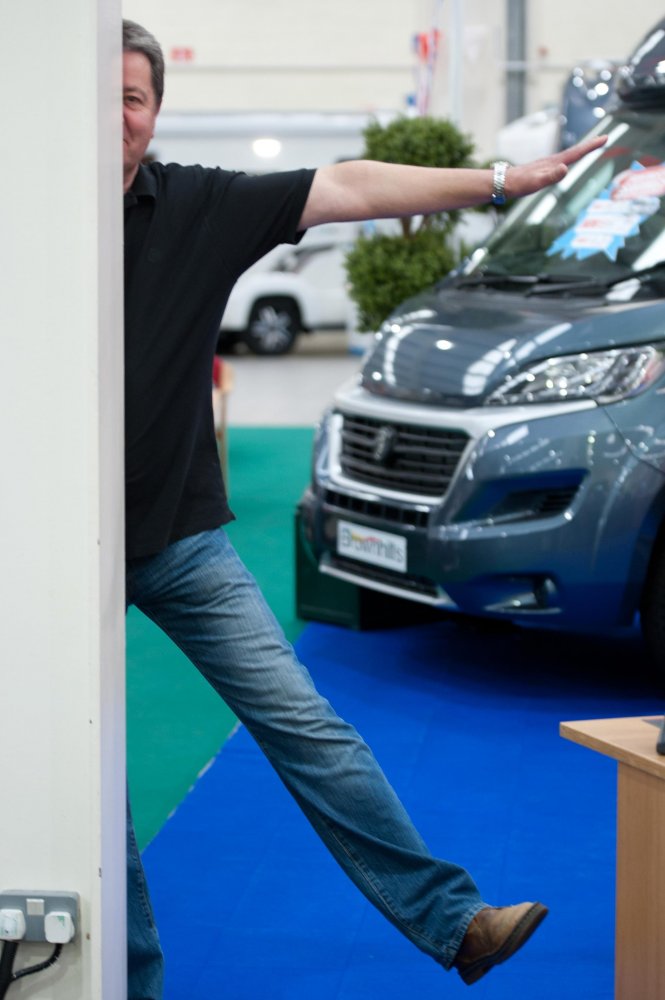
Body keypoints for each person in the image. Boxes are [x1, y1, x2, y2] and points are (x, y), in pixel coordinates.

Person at [122, 19, 606, 999]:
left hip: (174, 536)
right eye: (93, 97)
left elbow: (349, 185)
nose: (111, 118)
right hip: (48, 549)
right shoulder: (25, 216)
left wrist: (505, 180)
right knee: (88, 778)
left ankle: (453, 922)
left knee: (306, 724)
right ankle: (125, 982)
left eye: (129, 98)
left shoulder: (197, 205)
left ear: (156, 113)